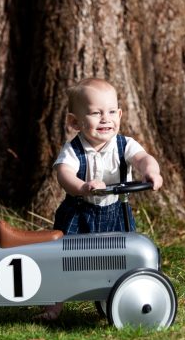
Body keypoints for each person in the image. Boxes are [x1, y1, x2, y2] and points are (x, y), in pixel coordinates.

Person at [35, 78, 163, 321]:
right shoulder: (74, 149)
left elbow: (143, 158)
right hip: (79, 212)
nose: (106, 119)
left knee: (125, 255)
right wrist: (83, 187)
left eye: (112, 112)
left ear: (120, 114)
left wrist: (151, 172)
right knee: (64, 258)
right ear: (75, 122)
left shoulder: (124, 144)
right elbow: (64, 174)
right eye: (96, 113)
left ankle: (122, 296)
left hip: (116, 213)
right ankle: (54, 305)